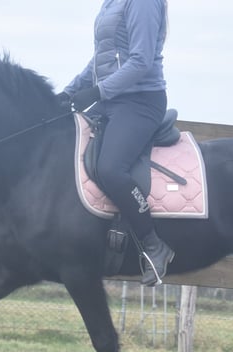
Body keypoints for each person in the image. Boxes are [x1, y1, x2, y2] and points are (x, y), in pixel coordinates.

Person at [59, 0, 174, 287]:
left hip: (140, 101)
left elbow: (141, 60)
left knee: (110, 168)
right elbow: (101, 59)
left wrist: (98, 91)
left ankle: (154, 244)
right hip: (111, 99)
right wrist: (70, 91)